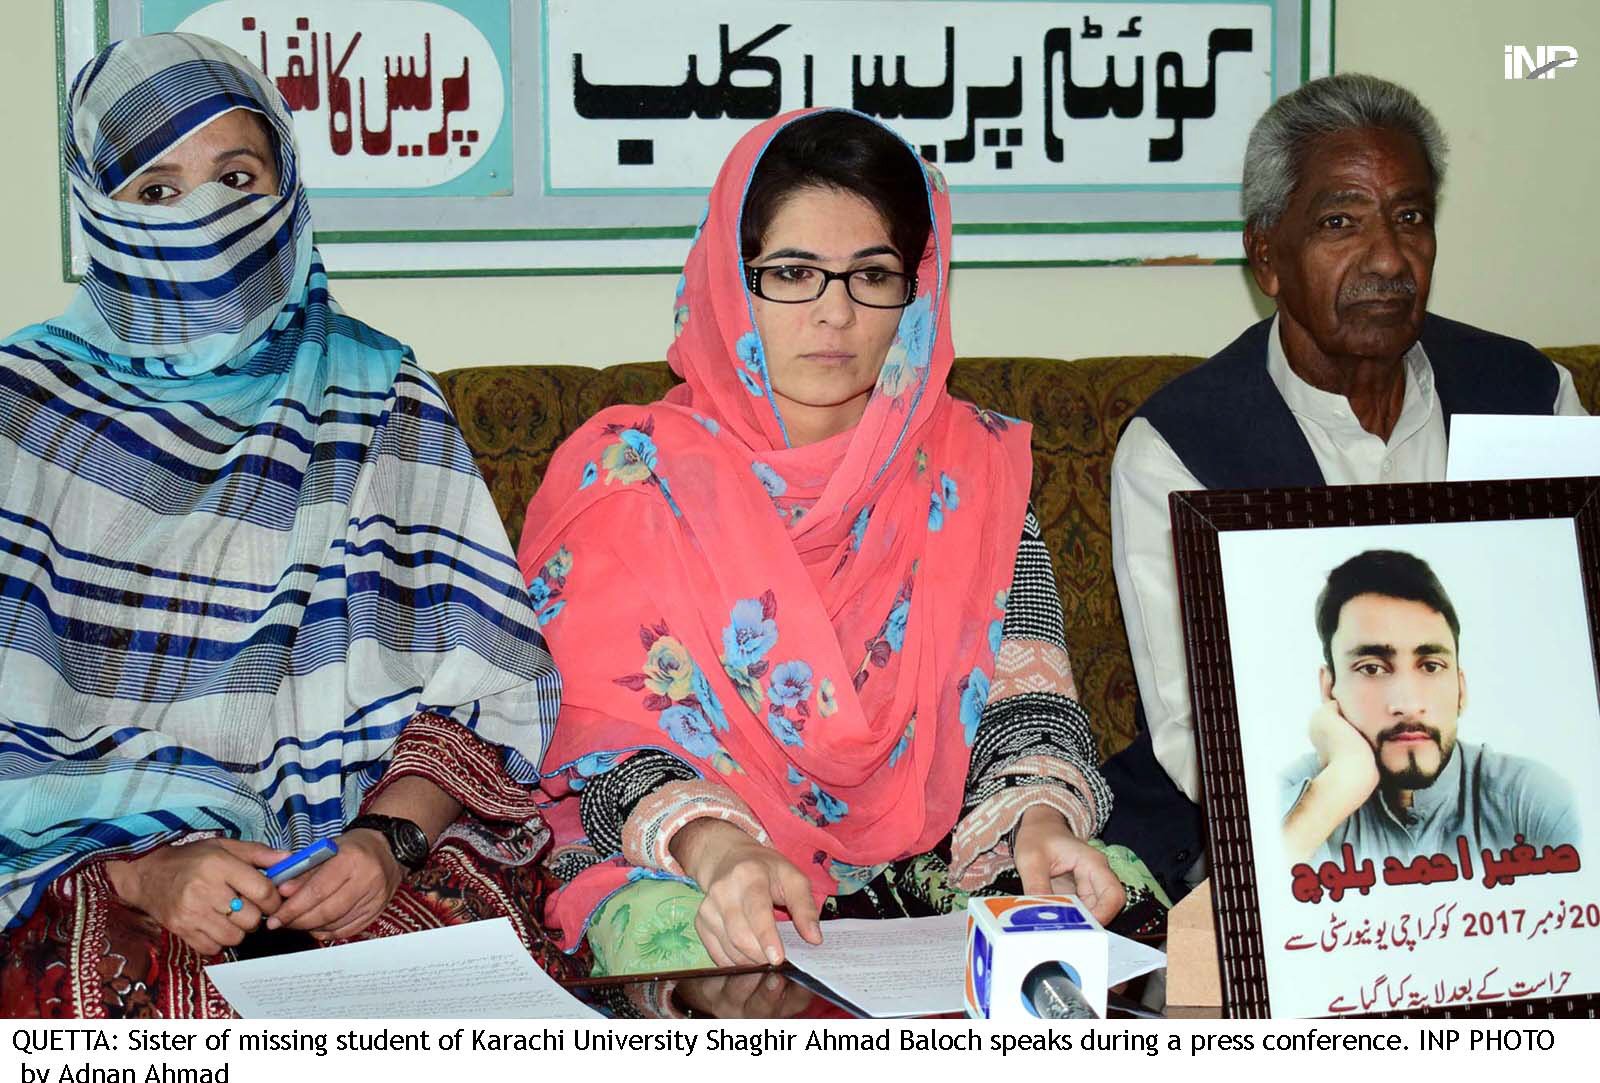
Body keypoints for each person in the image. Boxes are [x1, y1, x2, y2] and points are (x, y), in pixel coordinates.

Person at [0, 33, 565, 1018]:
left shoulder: (372, 387)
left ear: (287, 186)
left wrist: (383, 843)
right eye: (158, 192)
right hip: (77, 874)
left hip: (349, 856)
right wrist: (142, 872)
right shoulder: (25, 411)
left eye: (236, 175)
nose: (208, 215)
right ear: (98, 205)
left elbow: (487, 682)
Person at [518, 109, 1159, 975]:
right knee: (676, 942)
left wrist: (1039, 821)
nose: (835, 312)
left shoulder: (967, 467)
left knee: (1104, 891)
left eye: (873, 275)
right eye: (791, 273)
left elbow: (1025, 702)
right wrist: (717, 848)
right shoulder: (626, 477)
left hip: (939, 847)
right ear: (728, 281)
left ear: (917, 291)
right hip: (687, 850)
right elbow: (599, 746)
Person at [1104, 73, 1588, 895]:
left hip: (1522, 837)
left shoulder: (1531, 397)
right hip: (1293, 844)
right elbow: (1197, 735)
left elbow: (1582, 649)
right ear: (1267, 256)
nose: (1389, 259)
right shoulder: (1180, 449)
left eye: (1410, 217)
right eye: (1340, 222)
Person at [1281, 550, 1578, 864]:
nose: (1408, 705)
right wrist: (1343, 783)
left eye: (1432, 666)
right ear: (1330, 690)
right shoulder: (1281, 799)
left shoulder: (1534, 802)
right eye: (1372, 668)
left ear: (1461, 689)